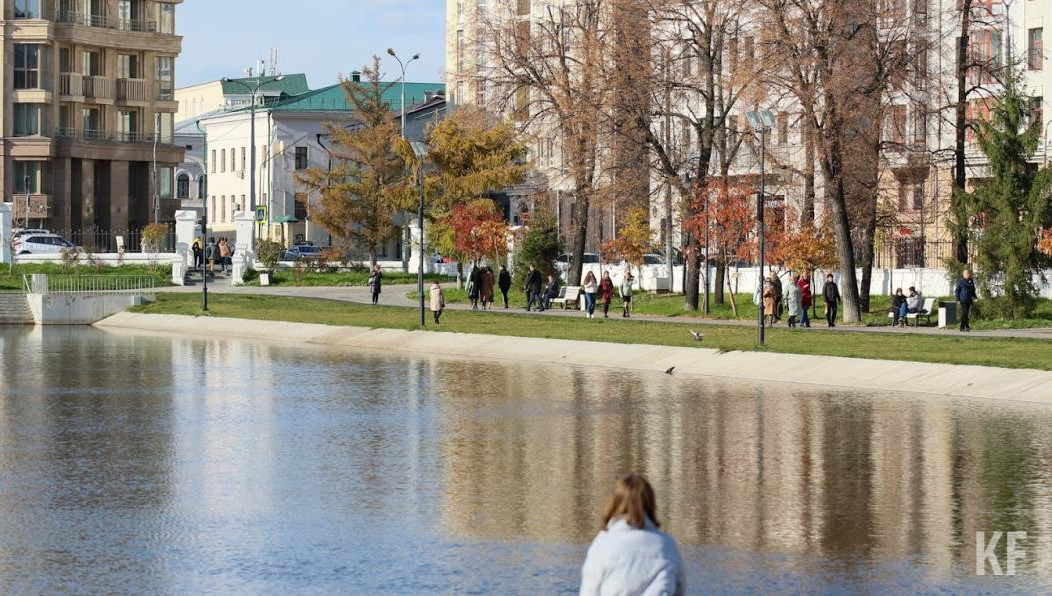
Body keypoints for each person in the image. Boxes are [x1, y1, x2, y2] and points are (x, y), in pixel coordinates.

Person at [580, 473, 685, 596]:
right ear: (650, 503)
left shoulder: (603, 543)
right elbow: (680, 588)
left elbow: (589, 591)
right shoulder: (667, 545)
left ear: (616, 502)